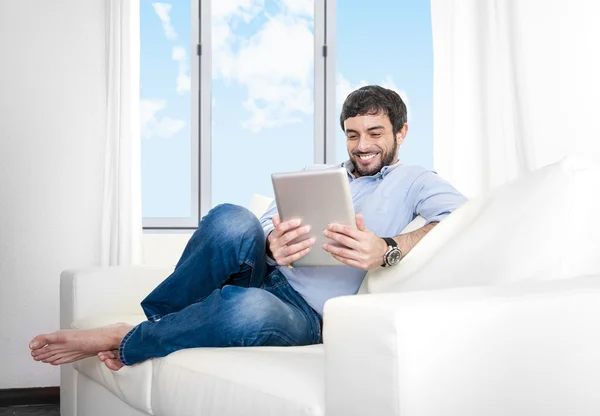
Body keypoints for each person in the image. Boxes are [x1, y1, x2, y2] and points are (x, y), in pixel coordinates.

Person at [29, 85, 467, 371]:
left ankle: (129, 338)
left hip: (304, 313)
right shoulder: (318, 174)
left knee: (247, 310)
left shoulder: (416, 181)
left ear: (401, 132)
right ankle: (164, 322)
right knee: (229, 216)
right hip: (267, 272)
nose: (363, 145)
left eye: (375, 132)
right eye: (352, 135)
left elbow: (460, 217)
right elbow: (256, 226)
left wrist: (387, 248)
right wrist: (274, 245)